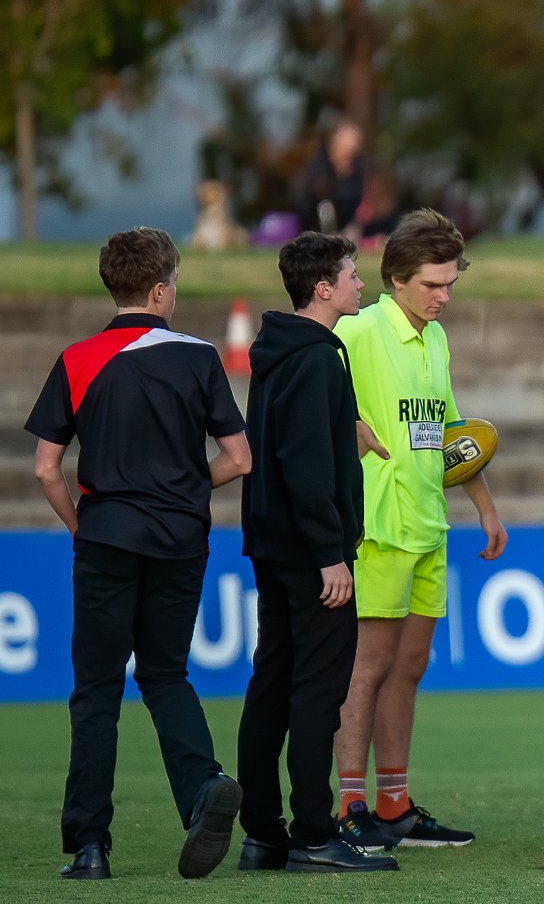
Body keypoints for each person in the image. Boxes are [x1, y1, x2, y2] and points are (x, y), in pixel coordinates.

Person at [27, 227, 252, 881]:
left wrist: (80, 522)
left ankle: (90, 847)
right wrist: (184, 487)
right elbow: (238, 458)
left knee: (96, 690)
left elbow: (46, 468)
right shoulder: (200, 356)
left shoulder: (77, 358)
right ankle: (203, 787)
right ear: (160, 289)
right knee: (165, 675)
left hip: (106, 537)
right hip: (181, 541)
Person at [332, 209, 507, 849]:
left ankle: (394, 803)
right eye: (434, 285)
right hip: (378, 526)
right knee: (366, 668)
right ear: (397, 280)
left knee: (409, 666)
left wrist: (484, 507)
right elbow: (304, 383)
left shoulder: (434, 338)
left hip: (429, 525)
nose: (445, 295)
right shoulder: (359, 329)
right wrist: (344, 424)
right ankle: (349, 808)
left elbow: (451, 436)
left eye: (451, 283)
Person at [235, 233, 397, 874]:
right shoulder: (318, 357)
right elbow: (302, 465)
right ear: (323, 289)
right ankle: (310, 833)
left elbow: (285, 443)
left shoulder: (281, 350)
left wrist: (342, 428)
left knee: (271, 682)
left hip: (272, 545)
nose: (362, 285)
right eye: (353, 276)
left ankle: (264, 834)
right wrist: (331, 552)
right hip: (310, 553)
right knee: (317, 690)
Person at [298, 119, 367, 240]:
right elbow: (318, 192)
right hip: (319, 218)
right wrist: (337, 172)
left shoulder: (358, 164)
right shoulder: (320, 161)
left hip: (349, 218)